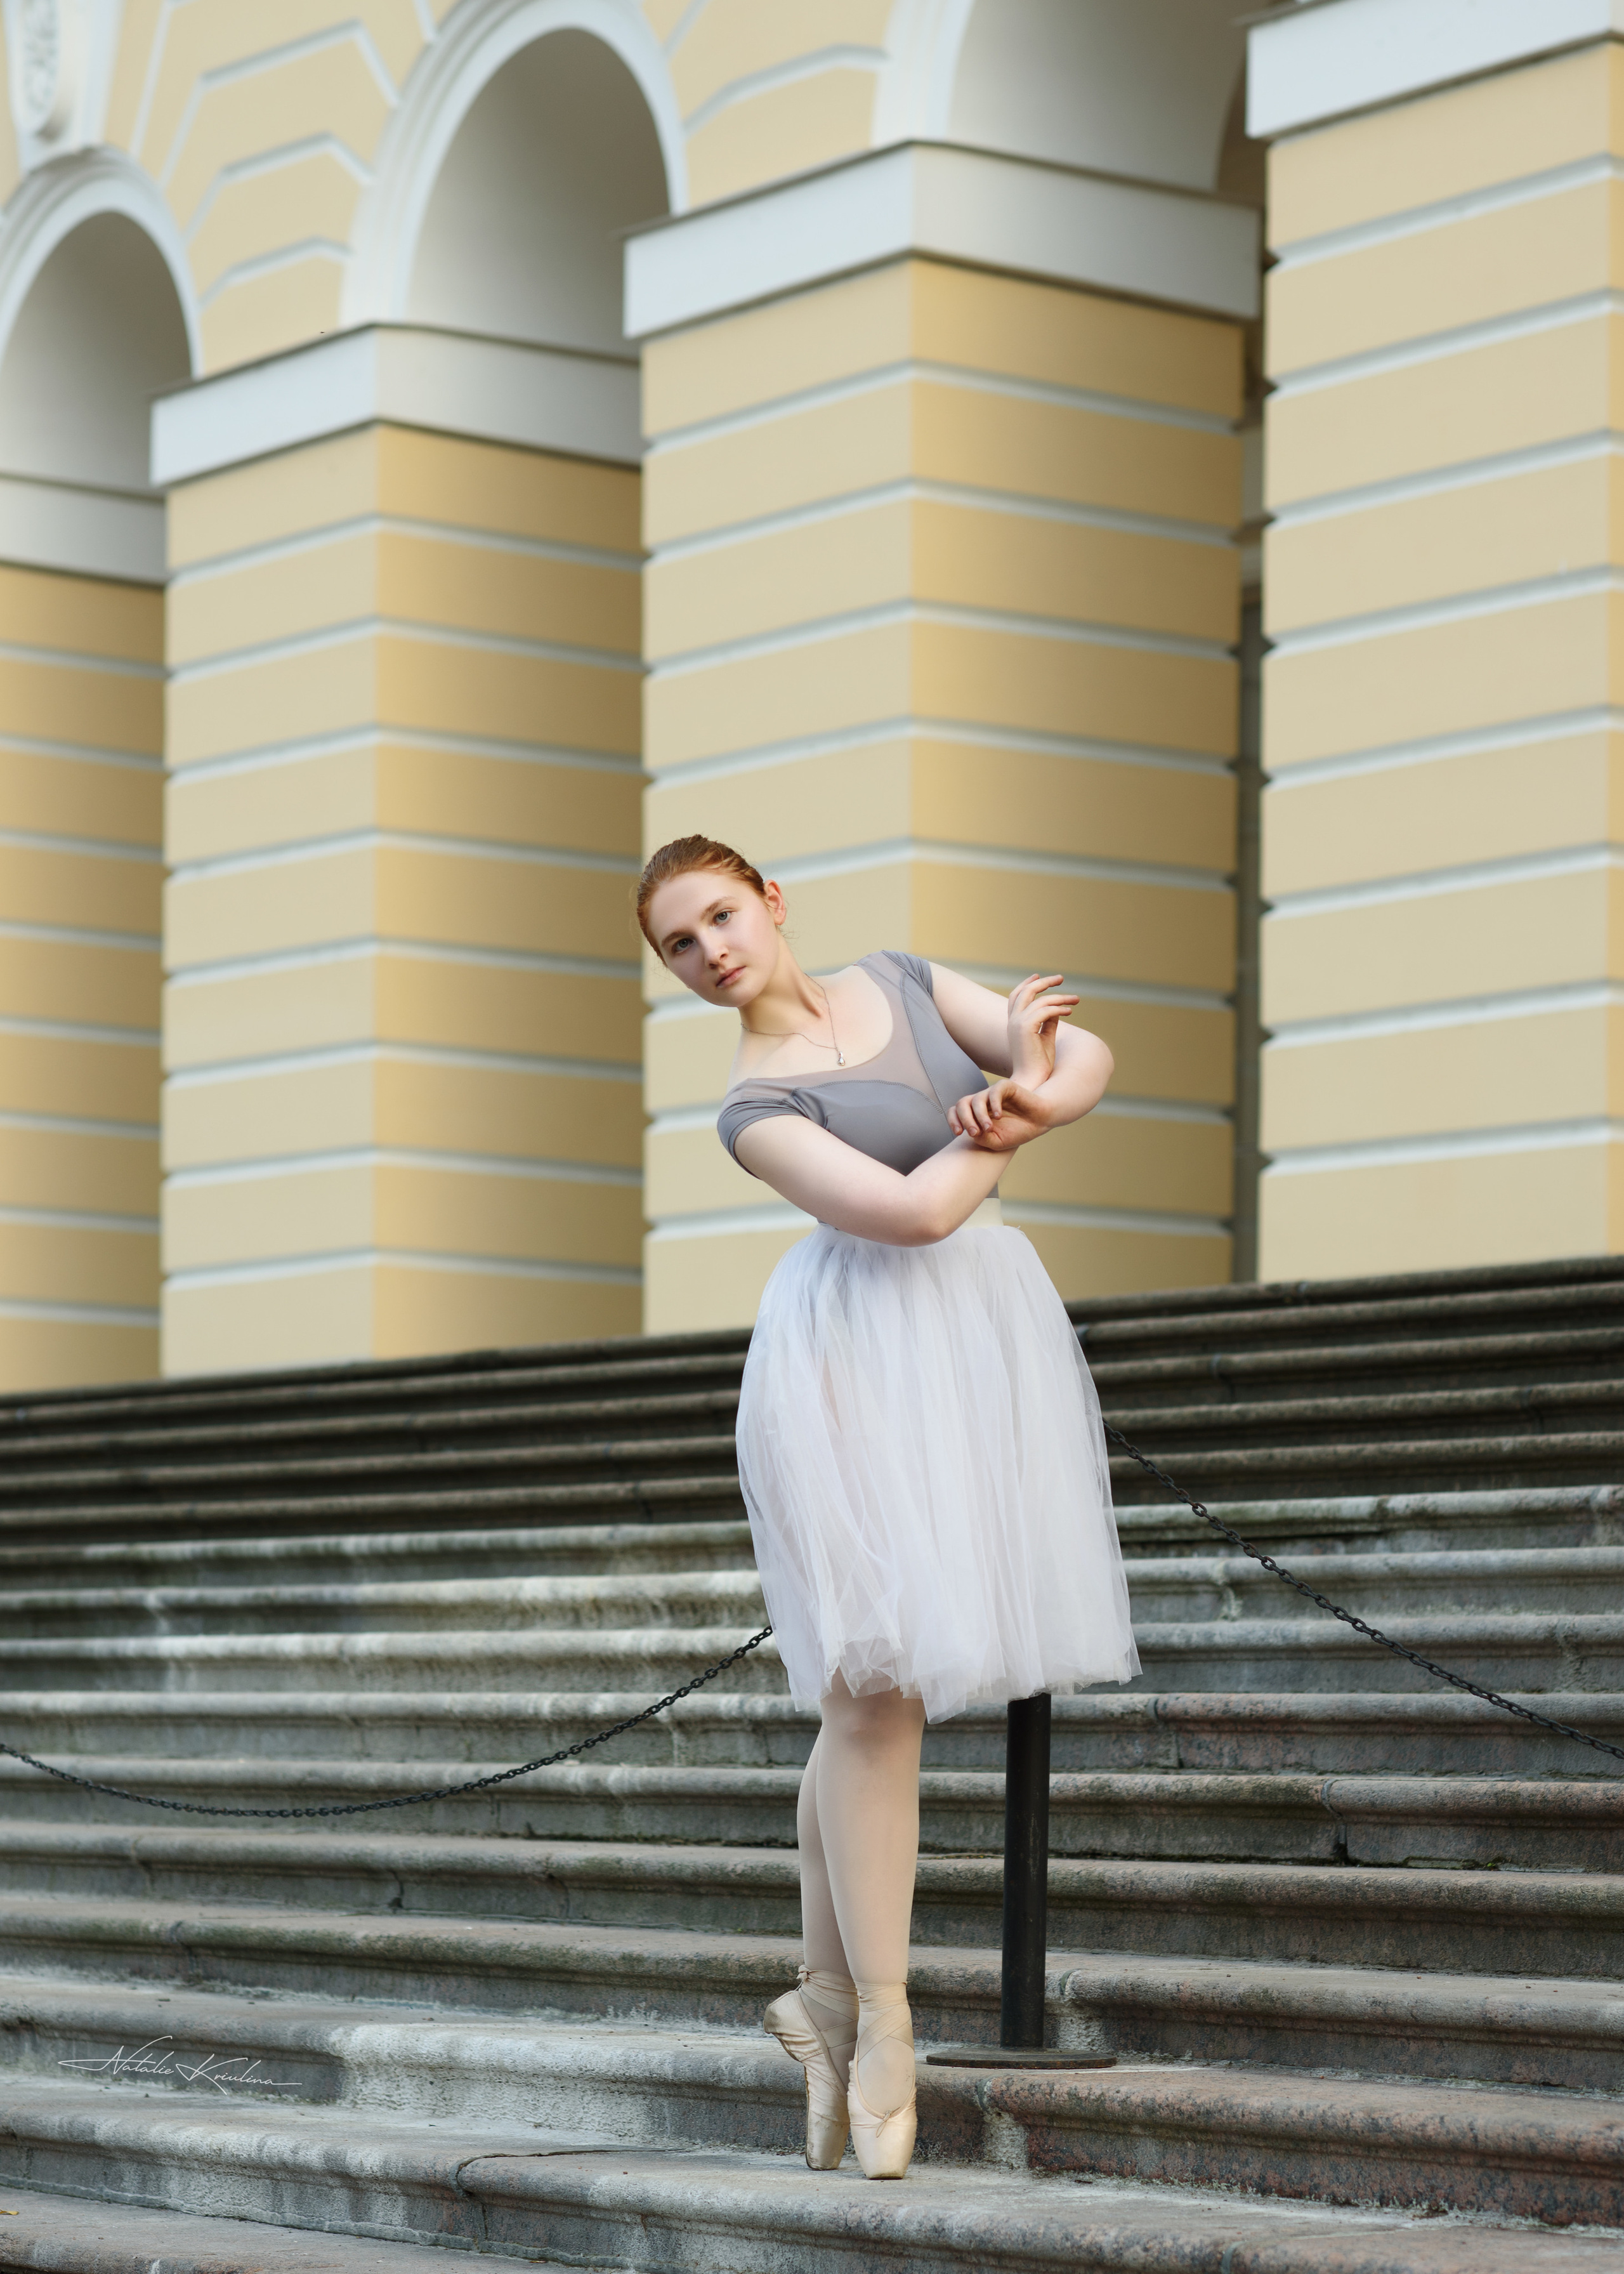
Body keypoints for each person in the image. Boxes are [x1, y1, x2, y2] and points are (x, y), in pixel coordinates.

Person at [637, 835, 1139, 2181]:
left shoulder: (902, 977)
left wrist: (1032, 1090)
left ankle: (821, 1992)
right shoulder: (751, 1108)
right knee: (871, 1688)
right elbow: (912, 1214)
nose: (710, 953)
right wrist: (1015, 1116)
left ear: (770, 900)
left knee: (868, 1694)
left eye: (720, 917)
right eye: (679, 945)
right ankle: (886, 2024)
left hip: (974, 1347)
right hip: (851, 1360)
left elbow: (1083, 1058)